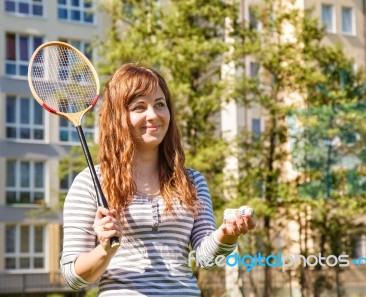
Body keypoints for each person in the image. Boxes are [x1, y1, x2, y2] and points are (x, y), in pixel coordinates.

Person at [60, 64, 256, 296]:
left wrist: (227, 233)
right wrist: (104, 249)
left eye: (160, 104)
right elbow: (73, 278)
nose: (153, 115)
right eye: (139, 107)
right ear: (118, 117)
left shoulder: (192, 181)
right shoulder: (91, 183)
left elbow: (206, 260)